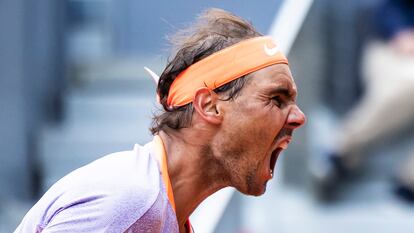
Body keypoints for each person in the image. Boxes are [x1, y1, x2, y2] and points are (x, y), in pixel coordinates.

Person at [15, 8, 306, 233]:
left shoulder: (155, 209)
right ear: (209, 105)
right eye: (276, 99)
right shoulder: (130, 203)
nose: (298, 117)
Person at [315, 0, 414, 200]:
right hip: (394, 47)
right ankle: (343, 147)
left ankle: (409, 179)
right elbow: (389, 10)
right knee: (408, 81)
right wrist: (400, 31)